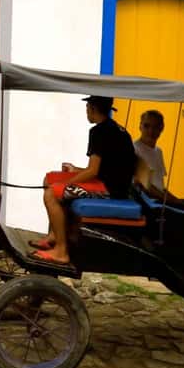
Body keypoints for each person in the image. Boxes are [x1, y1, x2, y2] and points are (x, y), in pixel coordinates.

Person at [31, 95, 137, 265]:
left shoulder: (99, 132)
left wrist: (67, 183)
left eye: (87, 107)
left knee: (51, 193)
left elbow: (93, 171)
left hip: (110, 190)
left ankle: (61, 251)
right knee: (49, 179)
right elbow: (104, 168)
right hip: (110, 182)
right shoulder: (116, 129)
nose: (86, 111)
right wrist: (75, 171)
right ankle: (53, 236)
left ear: (93, 109)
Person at [133, 110, 167, 193]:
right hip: (148, 202)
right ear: (140, 126)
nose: (151, 131)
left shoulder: (158, 151)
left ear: (161, 128)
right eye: (146, 126)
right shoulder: (133, 149)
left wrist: (178, 201)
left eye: (155, 127)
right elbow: (142, 186)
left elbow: (160, 185)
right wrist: (175, 201)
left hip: (160, 200)